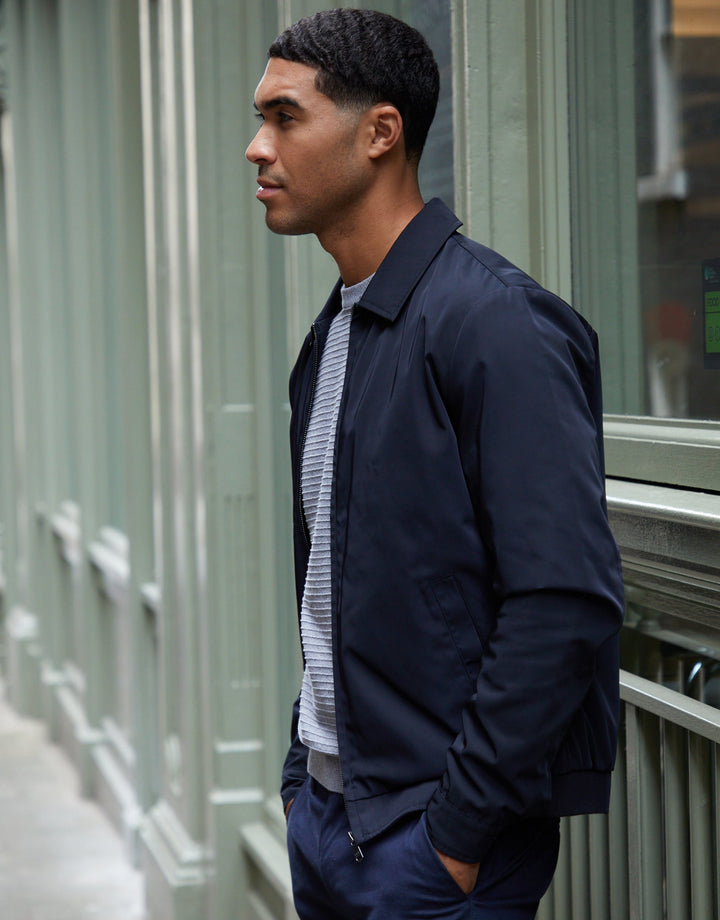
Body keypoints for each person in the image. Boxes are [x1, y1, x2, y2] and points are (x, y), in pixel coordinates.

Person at [245, 9, 624, 919]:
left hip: (431, 846)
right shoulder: (335, 333)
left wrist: (456, 835)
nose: (258, 147)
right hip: (329, 822)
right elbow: (340, 580)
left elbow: (564, 598)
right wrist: (301, 773)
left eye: (286, 117)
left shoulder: (495, 323)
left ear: (381, 132)